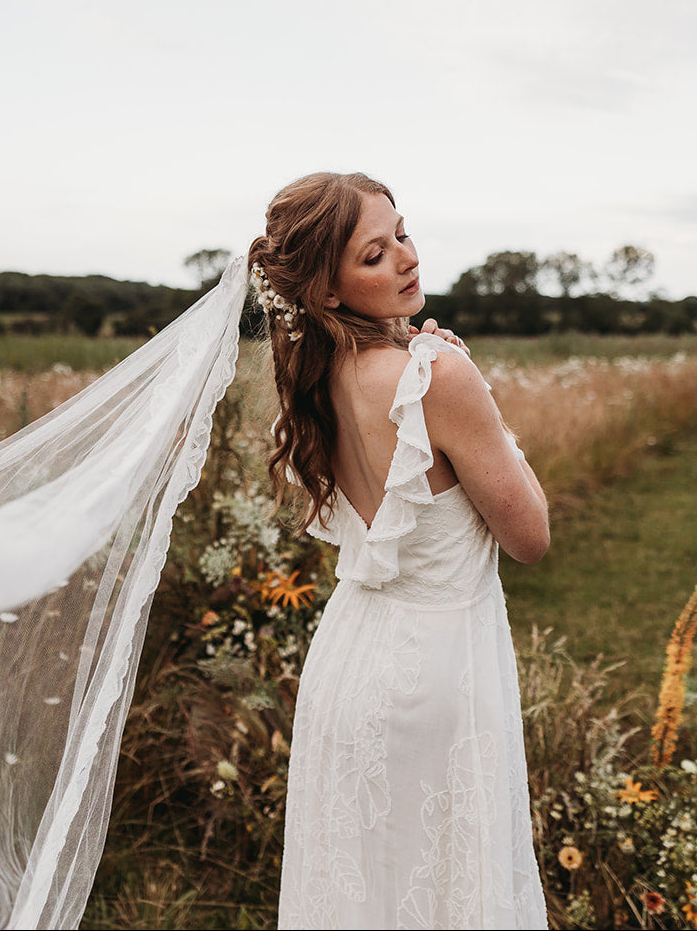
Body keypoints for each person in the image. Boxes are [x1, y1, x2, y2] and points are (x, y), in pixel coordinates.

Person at [247, 172, 550, 929]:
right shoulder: (436, 373)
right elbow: (530, 536)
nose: (406, 260)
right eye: (374, 256)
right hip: (437, 673)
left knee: (363, 894)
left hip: (351, 658)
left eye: (402, 236)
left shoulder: (321, 375)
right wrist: (478, 401)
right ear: (327, 291)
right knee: (442, 894)